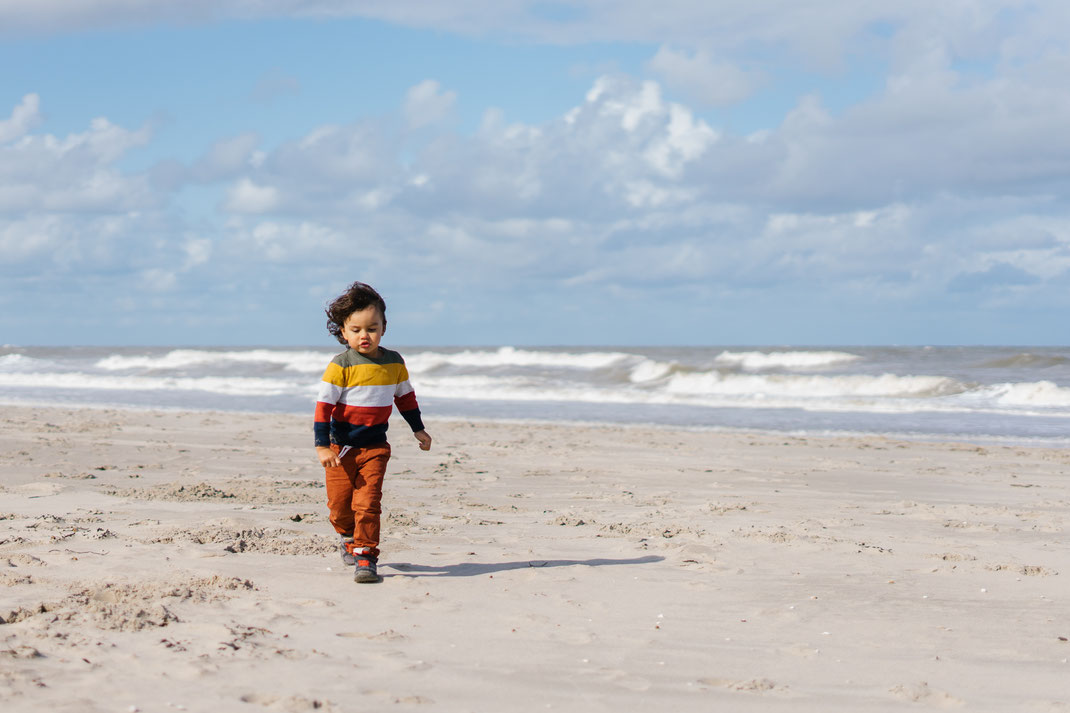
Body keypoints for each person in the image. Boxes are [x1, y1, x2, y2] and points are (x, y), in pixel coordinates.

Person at [314, 281, 432, 583]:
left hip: (376, 447)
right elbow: (324, 408)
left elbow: (405, 398)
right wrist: (322, 447)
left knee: (368, 503)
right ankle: (348, 537)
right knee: (340, 508)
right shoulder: (340, 365)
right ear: (343, 331)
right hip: (340, 449)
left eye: (372, 328)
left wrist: (418, 429)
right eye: (356, 330)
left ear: (383, 327)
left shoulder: (394, 362)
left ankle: (365, 556)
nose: (364, 335)